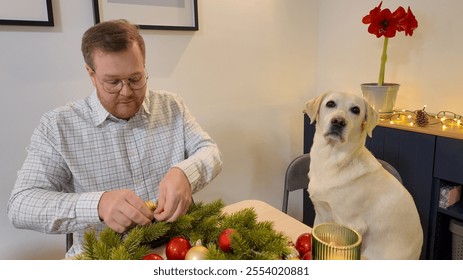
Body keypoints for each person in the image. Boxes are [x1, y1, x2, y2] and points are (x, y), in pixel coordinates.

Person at [7, 19, 223, 258]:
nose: (126, 91)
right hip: (105, 257)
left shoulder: (172, 106)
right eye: (113, 82)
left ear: (144, 66)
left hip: (177, 249)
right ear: (91, 73)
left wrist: (185, 172)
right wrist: (98, 205)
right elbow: (21, 205)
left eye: (135, 78)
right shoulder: (58, 126)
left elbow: (209, 150)